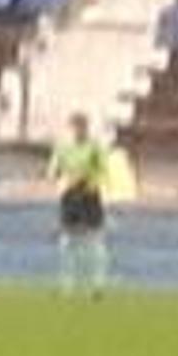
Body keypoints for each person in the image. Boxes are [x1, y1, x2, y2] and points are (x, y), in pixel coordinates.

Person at [49, 111, 118, 297]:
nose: (79, 130)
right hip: (71, 196)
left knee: (95, 242)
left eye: (82, 126)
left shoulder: (94, 147)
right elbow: (54, 170)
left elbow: (104, 170)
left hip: (89, 196)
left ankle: (98, 285)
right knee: (67, 242)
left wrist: (92, 181)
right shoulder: (64, 147)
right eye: (76, 126)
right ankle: (67, 286)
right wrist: (61, 178)